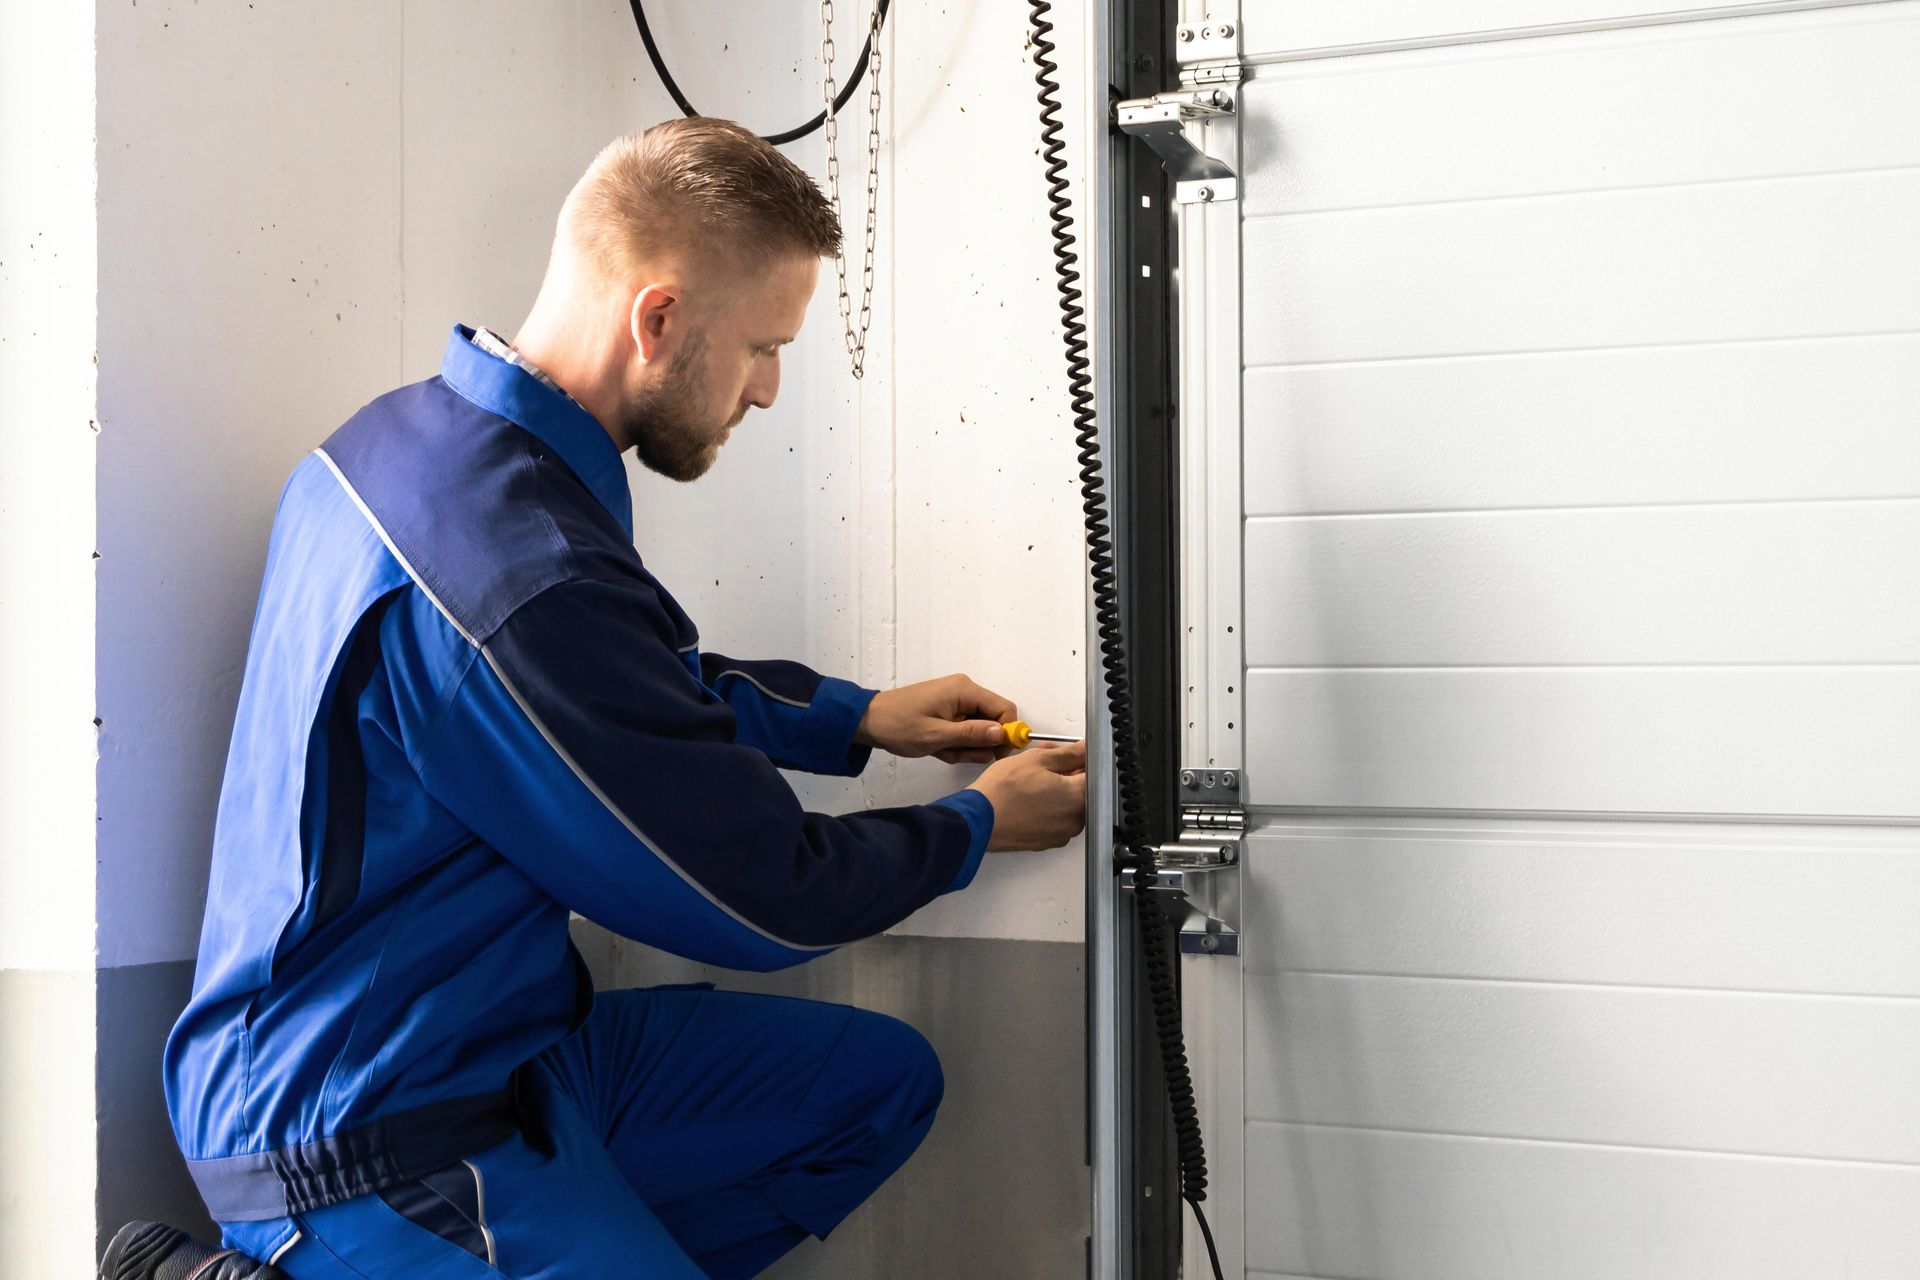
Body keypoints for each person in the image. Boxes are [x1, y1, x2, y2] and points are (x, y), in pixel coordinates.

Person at [114, 117, 1088, 1280]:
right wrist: (975, 826)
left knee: (873, 1089)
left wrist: (855, 716)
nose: (769, 389)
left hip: (507, 1049)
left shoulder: (401, 447)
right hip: (368, 1129)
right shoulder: (514, 572)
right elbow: (757, 899)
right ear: (660, 318)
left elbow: (624, 689)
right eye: (764, 346)